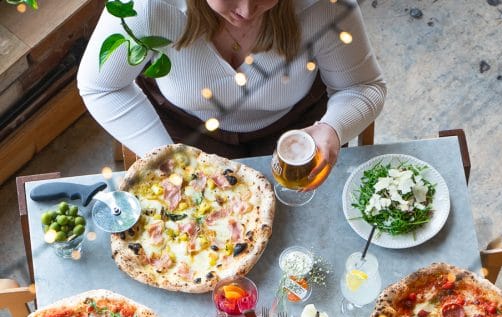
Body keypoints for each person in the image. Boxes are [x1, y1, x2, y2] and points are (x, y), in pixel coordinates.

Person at [78, 0, 386, 187]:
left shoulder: (323, 6)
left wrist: (332, 128)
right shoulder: (145, 7)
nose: (246, 11)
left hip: (295, 130)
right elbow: (101, 87)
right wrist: (168, 156)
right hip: (184, 134)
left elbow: (363, 86)